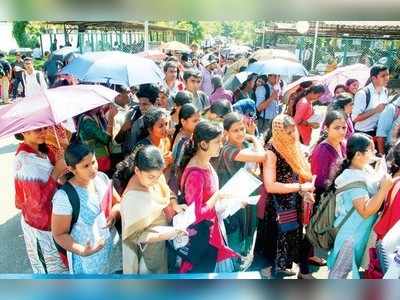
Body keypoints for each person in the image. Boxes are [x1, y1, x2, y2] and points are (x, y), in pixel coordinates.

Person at [258, 114, 316, 279]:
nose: (292, 135)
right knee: (278, 239)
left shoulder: (291, 147)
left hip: (292, 201)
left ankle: (281, 268)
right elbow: (270, 185)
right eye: (288, 132)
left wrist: (304, 191)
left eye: (293, 131)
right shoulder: (271, 152)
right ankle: (271, 272)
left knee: (292, 237)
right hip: (277, 205)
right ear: (278, 133)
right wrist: (300, 187)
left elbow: (296, 174)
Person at [327, 133, 393, 279]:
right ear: (358, 154)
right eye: (371, 150)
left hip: (356, 232)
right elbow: (365, 211)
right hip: (350, 235)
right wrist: (384, 189)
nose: (375, 153)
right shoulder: (353, 178)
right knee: (339, 273)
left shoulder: (363, 170)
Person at [52, 143, 122, 274]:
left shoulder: (102, 178)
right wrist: (82, 250)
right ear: (72, 169)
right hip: (89, 263)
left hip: (112, 252)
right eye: (86, 166)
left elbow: (118, 203)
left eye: (94, 162)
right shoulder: (64, 197)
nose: (93, 169)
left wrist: (114, 213)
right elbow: (59, 234)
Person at [178, 121, 238, 273]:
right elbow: (196, 215)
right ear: (203, 144)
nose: (221, 145)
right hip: (202, 239)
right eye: (217, 142)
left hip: (210, 233)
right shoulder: (196, 174)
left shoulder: (206, 163)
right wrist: (217, 196)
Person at [121, 145, 186, 274]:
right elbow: (134, 236)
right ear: (137, 171)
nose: (156, 181)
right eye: (151, 177)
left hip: (162, 247)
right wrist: (164, 234)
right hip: (147, 257)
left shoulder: (154, 176)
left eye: (159, 175)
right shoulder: (133, 198)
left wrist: (174, 205)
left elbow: (168, 192)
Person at [214, 112, 266, 267]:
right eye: (235, 130)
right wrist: (254, 137)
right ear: (226, 133)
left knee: (248, 233)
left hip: (247, 197)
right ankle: (232, 267)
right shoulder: (229, 150)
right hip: (233, 203)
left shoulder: (244, 145)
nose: (240, 133)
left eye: (242, 129)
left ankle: (241, 261)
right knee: (234, 236)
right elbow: (261, 156)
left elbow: (255, 166)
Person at [14, 128, 67, 273]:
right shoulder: (25, 161)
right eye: (38, 129)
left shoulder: (44, 151)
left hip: (55, 217)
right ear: (23, 131)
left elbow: (57, 179)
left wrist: (60, 165)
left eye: (44, 128)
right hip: (41, 227)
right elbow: (36, 203)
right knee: (51, 271)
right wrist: (56, 171)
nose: (43, 132)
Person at [310, 110, 347, 197]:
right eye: (336, 128)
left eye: (344, 128)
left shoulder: (343, 144)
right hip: (328, 198)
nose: (342, 132)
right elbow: (319, 183)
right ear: (326, 128)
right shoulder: (323, 151)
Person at [118, 83, 160, 155]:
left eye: (145, 104)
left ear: (155, 103)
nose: (141, 108)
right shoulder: (133, 115)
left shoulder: (162, 118)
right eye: (139, 104)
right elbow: (120, 141)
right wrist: (123, 129)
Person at [76, 105, 117, 174]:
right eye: (99, 105)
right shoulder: (87, 121)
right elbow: (106, 139)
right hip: (98, 157)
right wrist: (111, 119)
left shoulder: (91, 115)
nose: (101, 106)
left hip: (98, 156)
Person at [170, 103, 200, 195]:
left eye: (199, 120)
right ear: (183, 121)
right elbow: (175, 170)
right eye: (195, 121)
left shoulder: (191, 134)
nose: (198, 123)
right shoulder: (182, 142)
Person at [352, 65, 389, 137]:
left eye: (387, 75)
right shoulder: (363, 94)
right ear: (374, 78)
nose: (387, 78)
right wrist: (375, 110)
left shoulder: (385, 91)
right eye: (383, 76)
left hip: (379, 132)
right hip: (363, 134)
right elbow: (355, 118)